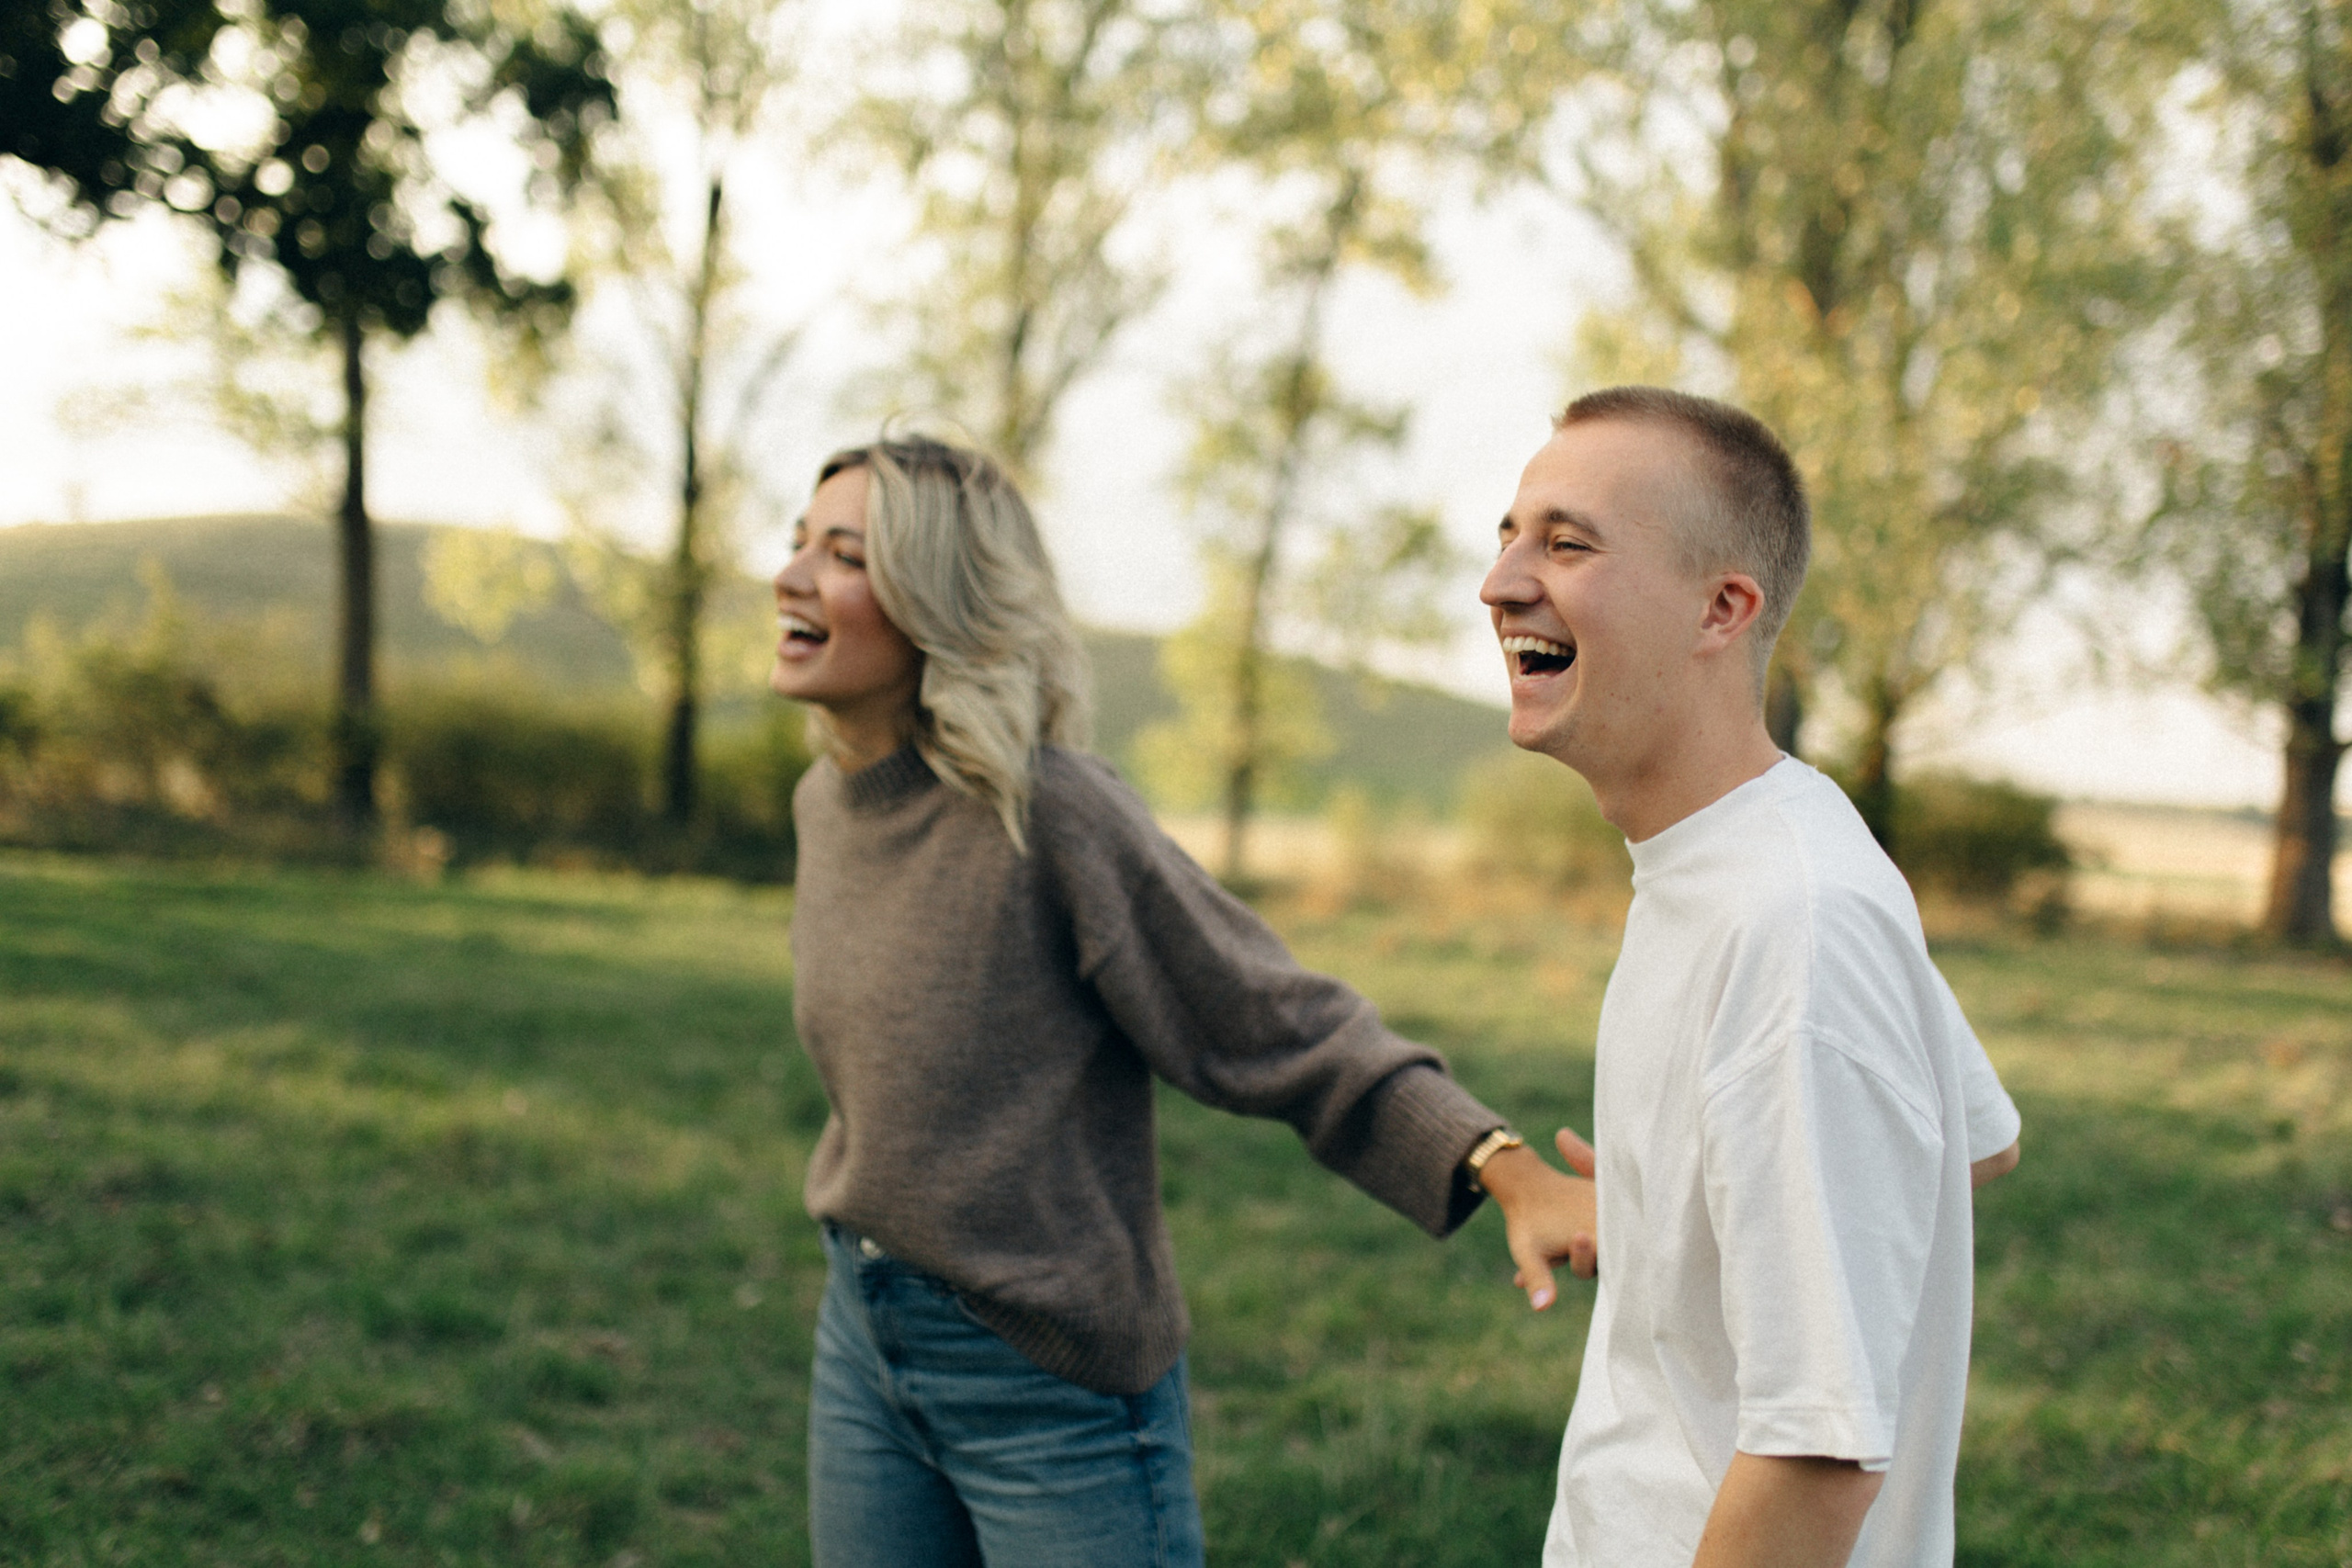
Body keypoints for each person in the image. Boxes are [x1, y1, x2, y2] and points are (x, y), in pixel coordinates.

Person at [769, 434, 1592, 1568]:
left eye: (844, 555)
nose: (792, 575)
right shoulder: (830, 801)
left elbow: (1273, 1020)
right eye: (798, 543)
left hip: (1047, 1383)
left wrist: (1500, 1165)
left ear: (935, 599)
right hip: (863, 1340)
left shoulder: (1049, 814)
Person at [1481, 388, 2023, 1568]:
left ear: (1722, 608)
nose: (1501, 581)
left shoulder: (1795, 919)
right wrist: (1684, 1219)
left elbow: (1816, 1456)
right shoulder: (1771, 841)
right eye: (1509, 535)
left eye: (1566, 543)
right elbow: (1973, 1143)